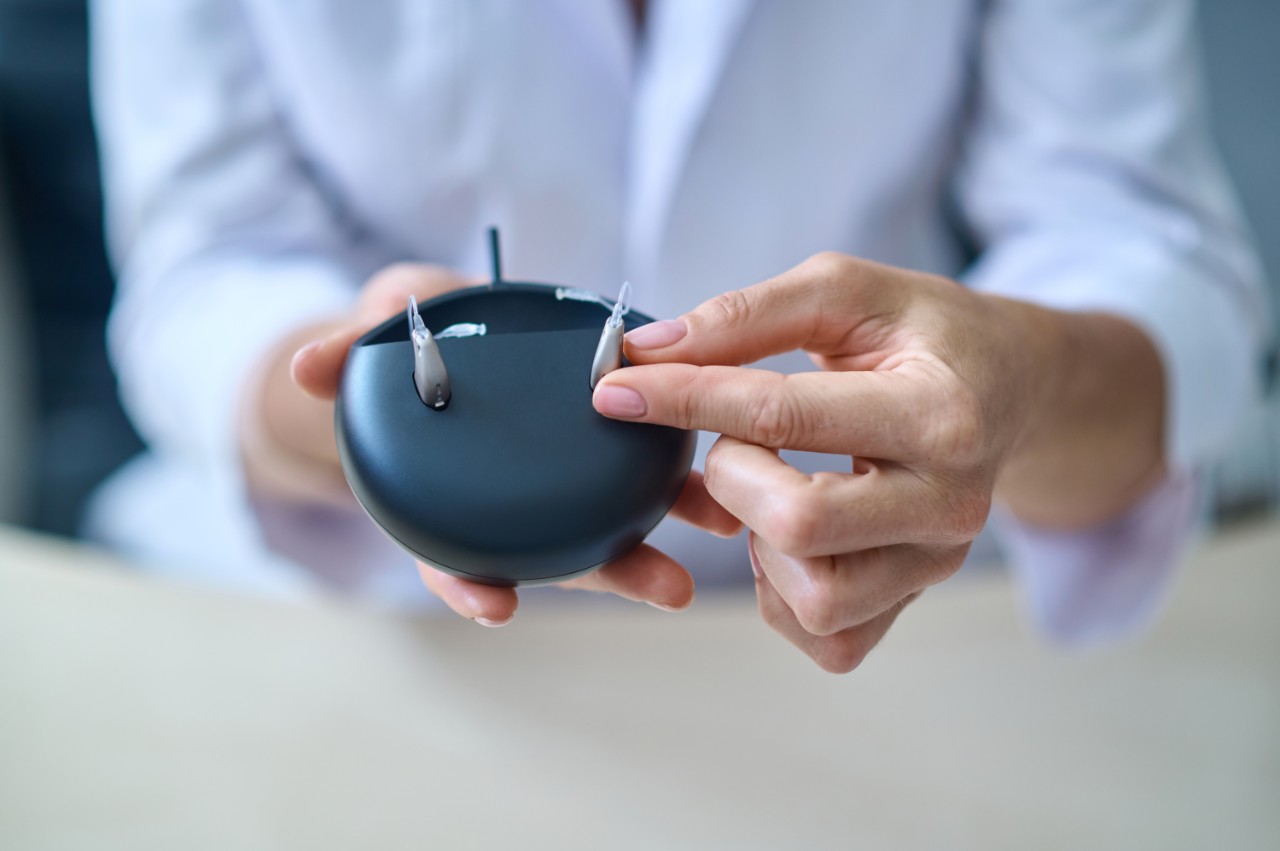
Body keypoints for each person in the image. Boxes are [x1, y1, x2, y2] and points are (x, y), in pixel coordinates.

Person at [88, 0, 1267, 672]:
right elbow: (202, 266)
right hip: (344, 642)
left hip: (923, 638)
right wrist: (339, 406)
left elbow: (1135, 238)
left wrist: (1015, 383)